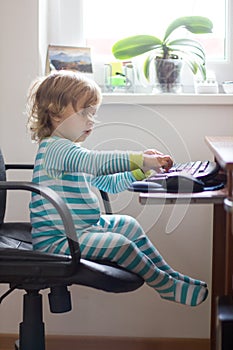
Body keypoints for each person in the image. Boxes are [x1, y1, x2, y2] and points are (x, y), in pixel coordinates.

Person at [26, 70, 208, 307]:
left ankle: (170, 276)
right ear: (55, 113)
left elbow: (108, 183)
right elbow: (97, 162)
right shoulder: (55, 149)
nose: (91, 120)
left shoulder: (70, 152)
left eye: (93, 113)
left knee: (128, 225)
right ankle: (164, 284)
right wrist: (140, 159)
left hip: (81, 228)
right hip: (58, 239)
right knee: (119, 244)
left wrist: (143, 170)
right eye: (84, 112)